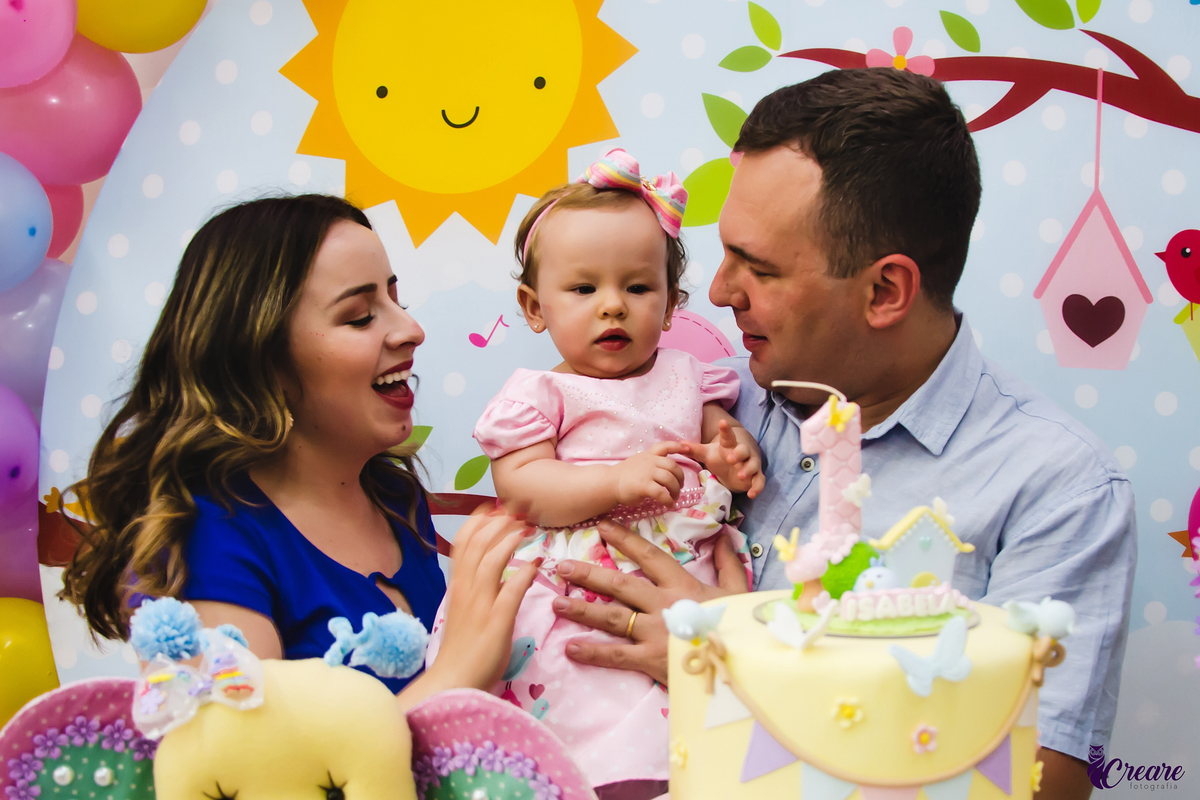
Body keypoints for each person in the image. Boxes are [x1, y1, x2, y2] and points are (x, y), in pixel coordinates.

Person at [548, 69, 1136, 799]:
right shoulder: (697, 402)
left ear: (885, 291)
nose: (722, 290)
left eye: (757, 268)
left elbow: (1038, 783)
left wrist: (738, 659)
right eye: (725, 252)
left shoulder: (1056, 489)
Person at [61, 194, 539, 710]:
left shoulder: (394, 496)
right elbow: (258, 774)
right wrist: (457, 674)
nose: (410, 330)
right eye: (359, 316)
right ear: (262, 361)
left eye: (396, 300)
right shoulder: (206, 540)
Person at [424, 149, 761, 792]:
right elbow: (522, 489)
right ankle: (577, 772)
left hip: (681, 570)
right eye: (584, 289)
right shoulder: (540, 394)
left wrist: (734, 455)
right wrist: (613, 483)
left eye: (637, 288)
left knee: (681, 728)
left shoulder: (692, 377)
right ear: (534, 306)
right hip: (578, 574)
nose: (613, 306)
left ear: (670, 306)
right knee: (579, 683)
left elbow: (723, 443)